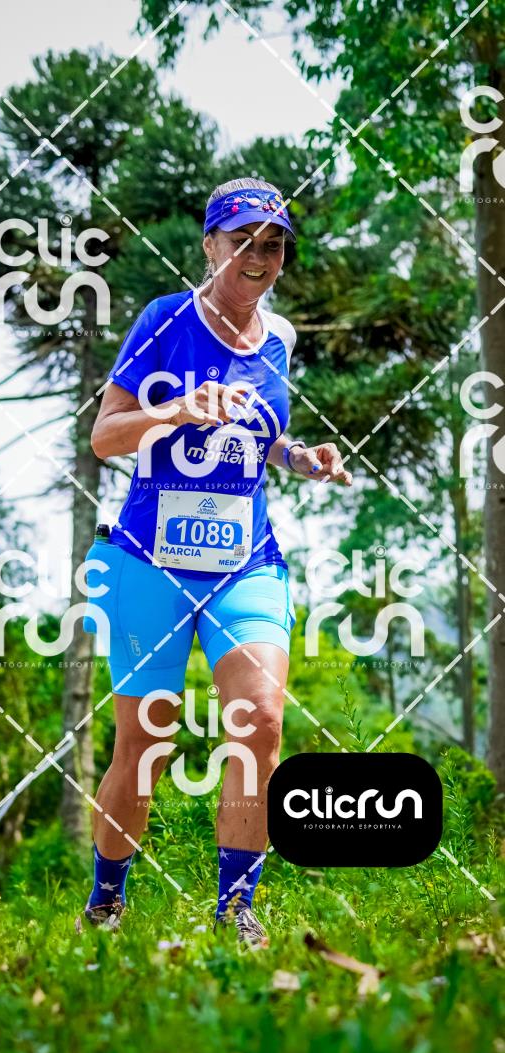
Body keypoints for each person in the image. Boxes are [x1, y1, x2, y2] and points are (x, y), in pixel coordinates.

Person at [80, 177, 352, 944]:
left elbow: (260, 438)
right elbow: (104, 437)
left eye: (273, 245)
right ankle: (106, 903)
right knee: (146, 743)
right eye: (242, 242)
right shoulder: (165, 320)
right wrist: (176, 410)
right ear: (209, 245)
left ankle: (236, 910)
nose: (258, 257)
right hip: (150, 561)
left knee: (260, 721)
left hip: (245, 562)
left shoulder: (280, 337)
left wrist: (301, 458)